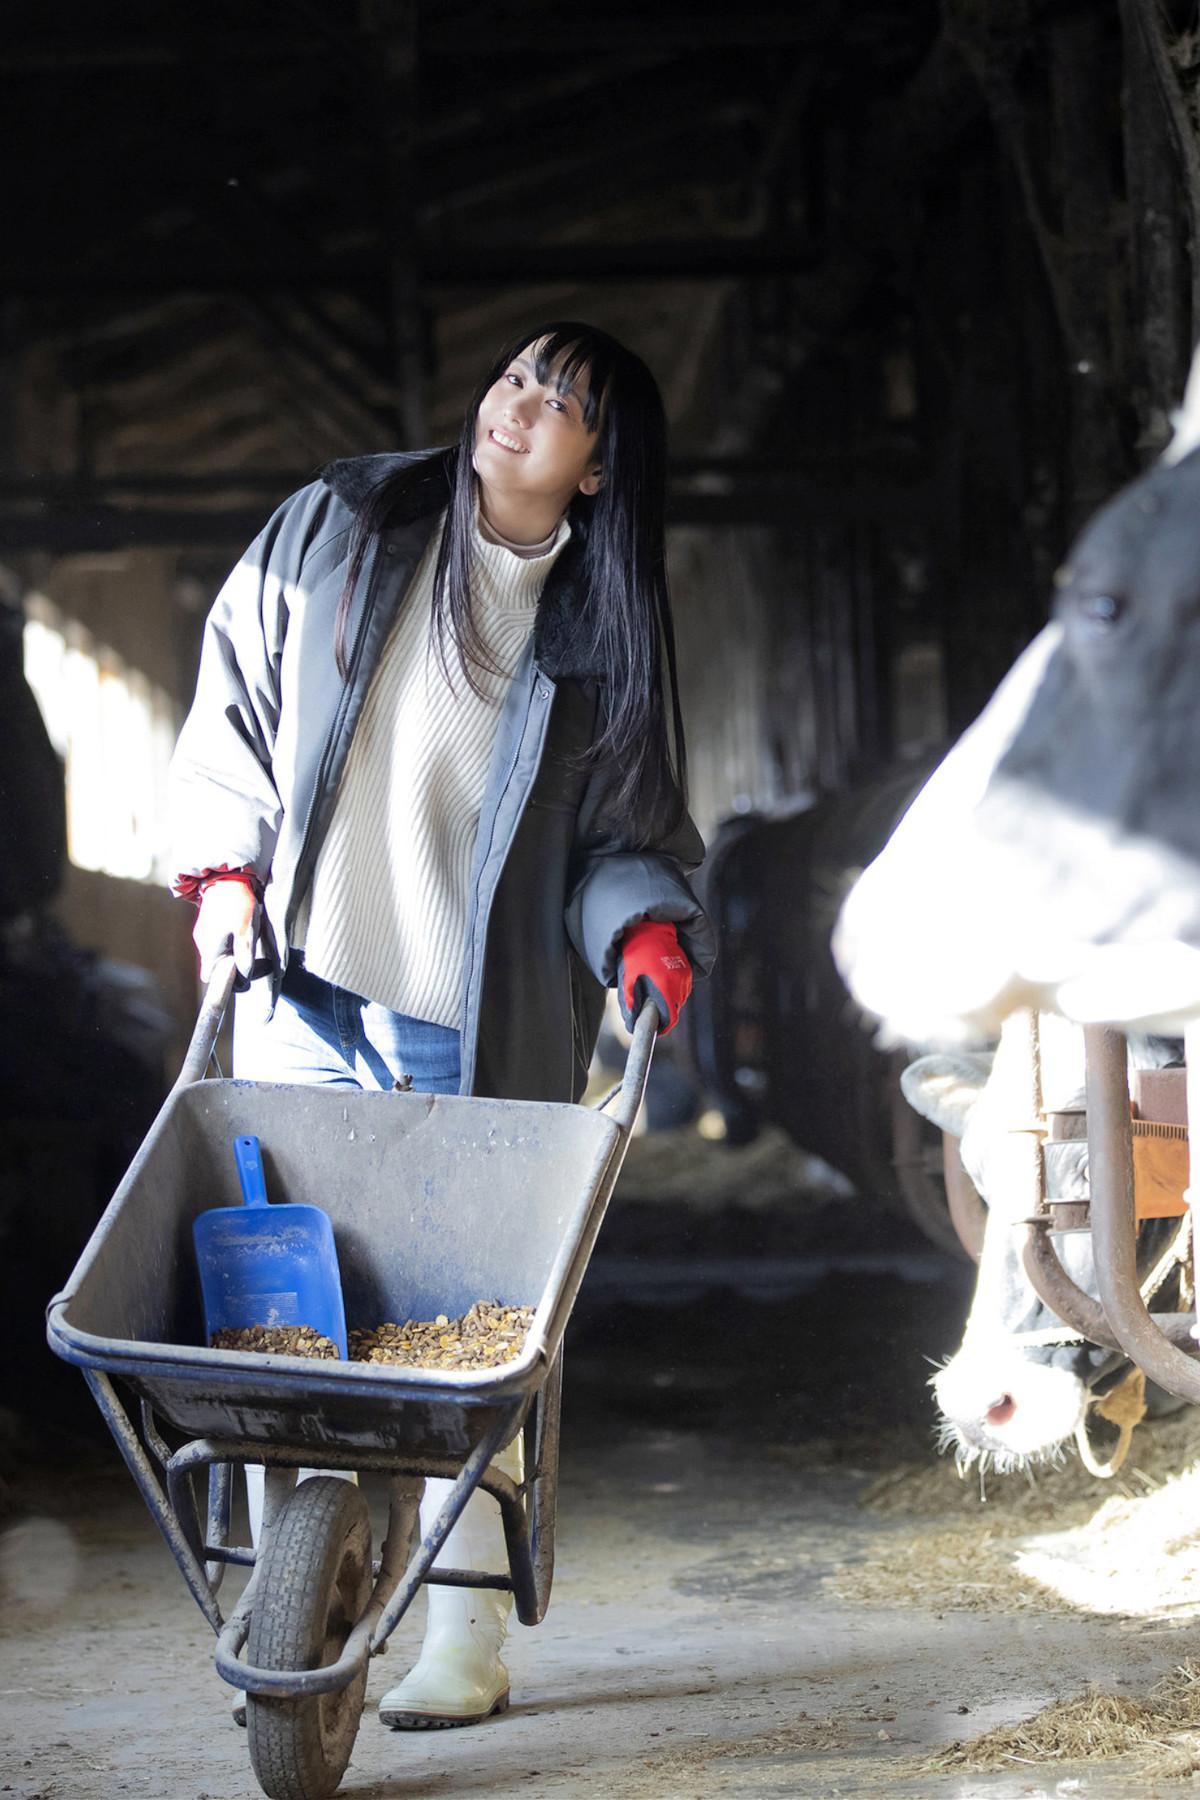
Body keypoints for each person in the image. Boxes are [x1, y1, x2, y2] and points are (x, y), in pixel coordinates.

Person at [168, 320, 715, 1731]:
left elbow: (622, 837)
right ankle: (302, 1596)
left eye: (564, 405)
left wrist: (645, 928)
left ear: (599, 472)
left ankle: (462, 1637)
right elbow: (234, 691)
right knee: (280, 1319)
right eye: (519, 375)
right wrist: (223, 870)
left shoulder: (603, 633)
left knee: (462, 1334)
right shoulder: (342, 524)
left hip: (462, 1025)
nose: (520, 406)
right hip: (298, 994)